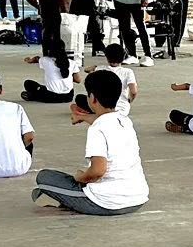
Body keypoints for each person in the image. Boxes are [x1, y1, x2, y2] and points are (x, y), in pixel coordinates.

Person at [32, 69, 149, 216]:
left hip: (106, 203)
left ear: (92, 98)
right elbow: (102, 119)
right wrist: (82, 117)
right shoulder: (125, 121)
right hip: (138, 198)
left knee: (44, 177)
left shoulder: (97, 129)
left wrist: (80, 177)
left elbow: (97, 171)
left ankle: (64, 200)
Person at [95, 42, 138, 114]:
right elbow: (134, 91)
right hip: (122, 107)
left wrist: (95, 67)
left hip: (103, 108)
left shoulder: (99, 69)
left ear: (107, 58)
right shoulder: (128, 72)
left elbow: (86, 70)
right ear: (123, 57)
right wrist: (130, 100)